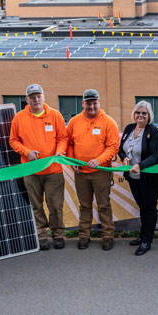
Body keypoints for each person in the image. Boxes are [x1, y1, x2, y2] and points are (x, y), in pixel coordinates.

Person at [9, 84, 68, 251]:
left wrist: (59, 152)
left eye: (38, 96)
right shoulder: (19, 118)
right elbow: (13, 141)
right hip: (30, 170)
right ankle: (41, 234)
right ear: (27, 99)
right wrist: (27, 152)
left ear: (43, 97)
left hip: (53, 170)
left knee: (55, 205)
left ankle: (58, 234)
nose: (36, 99)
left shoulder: (55, 115)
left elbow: (63, 138)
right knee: (36, 204)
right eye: (32, 96)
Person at [66, 89, 120, 250]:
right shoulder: (74, 122)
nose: (91, 106)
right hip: (81, 173)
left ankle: (108, 236)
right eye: (88, 103)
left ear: (99, 103)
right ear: (83, 104)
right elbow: (69, 143)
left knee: (104, 205)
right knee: (84, 205)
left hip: (101, 172)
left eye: (94, 103)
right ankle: (84, 235)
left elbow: (113, 147)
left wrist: (98, 160)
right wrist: (71, 159)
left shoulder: (109, 122)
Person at [118, 101, 158, 256]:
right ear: (134, 114)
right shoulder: (129, 128)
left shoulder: (153, 131)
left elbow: (154, 156)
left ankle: (147, 241)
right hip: (133, 177)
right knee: (142, 206)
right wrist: (124, 158)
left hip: (149, 178)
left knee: (149, 208)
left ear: (149, 115)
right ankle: (142, 235)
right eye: (138, 112)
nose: (140, 116)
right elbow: (121, 149)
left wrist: (140, 165)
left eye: (144, 113)